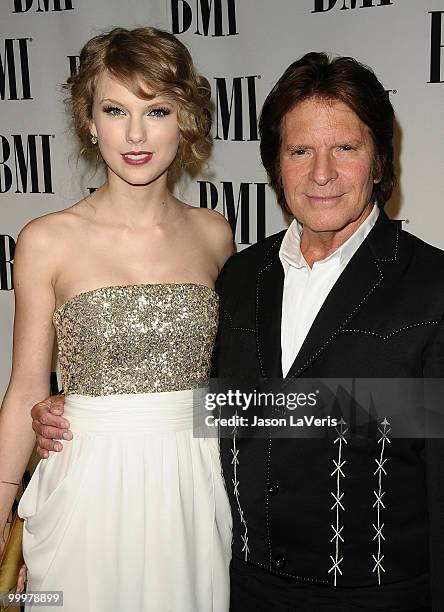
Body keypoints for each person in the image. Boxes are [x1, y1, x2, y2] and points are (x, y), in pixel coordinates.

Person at [31, 52, 444, 611]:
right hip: (238, 582)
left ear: (378, 161)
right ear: (275, 164)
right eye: (300, 151)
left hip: (382, 597)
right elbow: (218, 403)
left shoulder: (432, 283)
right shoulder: (241, 275)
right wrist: (86, 408)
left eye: (345, 148)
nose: (321, 174)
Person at [0, 26, 233, 612]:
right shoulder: (45, 240)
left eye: (155, 111)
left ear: (183, 120)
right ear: (89, 122)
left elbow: (231, 379)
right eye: (114, 109)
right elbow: (27, 386)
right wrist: (1, 507)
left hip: (192, 483)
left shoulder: (215, 234)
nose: (134, 134)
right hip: (86, 485)